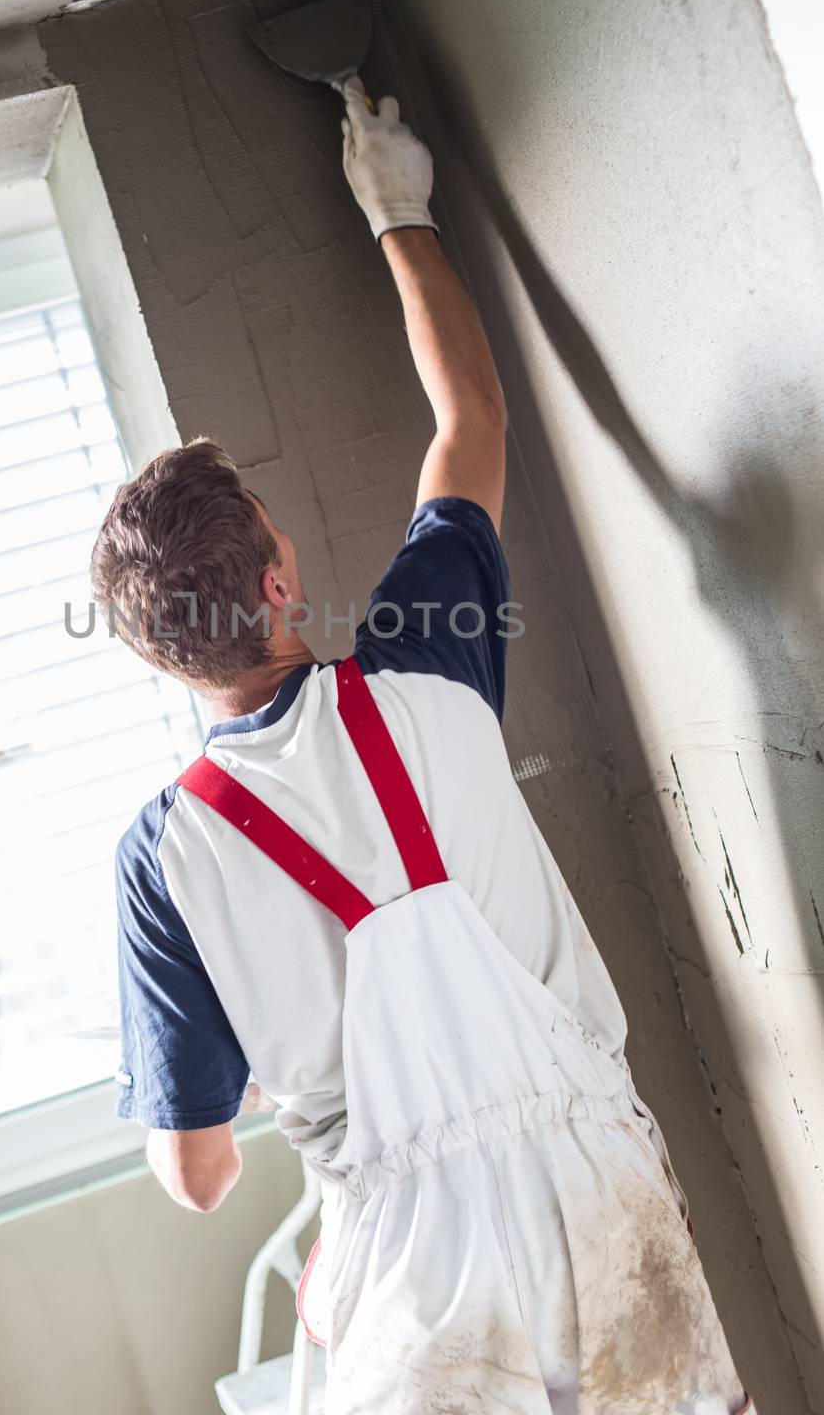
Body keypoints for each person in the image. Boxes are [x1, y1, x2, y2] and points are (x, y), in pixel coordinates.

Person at [90, 79, 751, 1414]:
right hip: (601, 1205)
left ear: (154, 651)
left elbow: (200, 1178)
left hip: (411, 1281)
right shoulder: (424, 664)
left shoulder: (165, 861)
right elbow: (471, 426)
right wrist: (399, 207)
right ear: (280, 584)